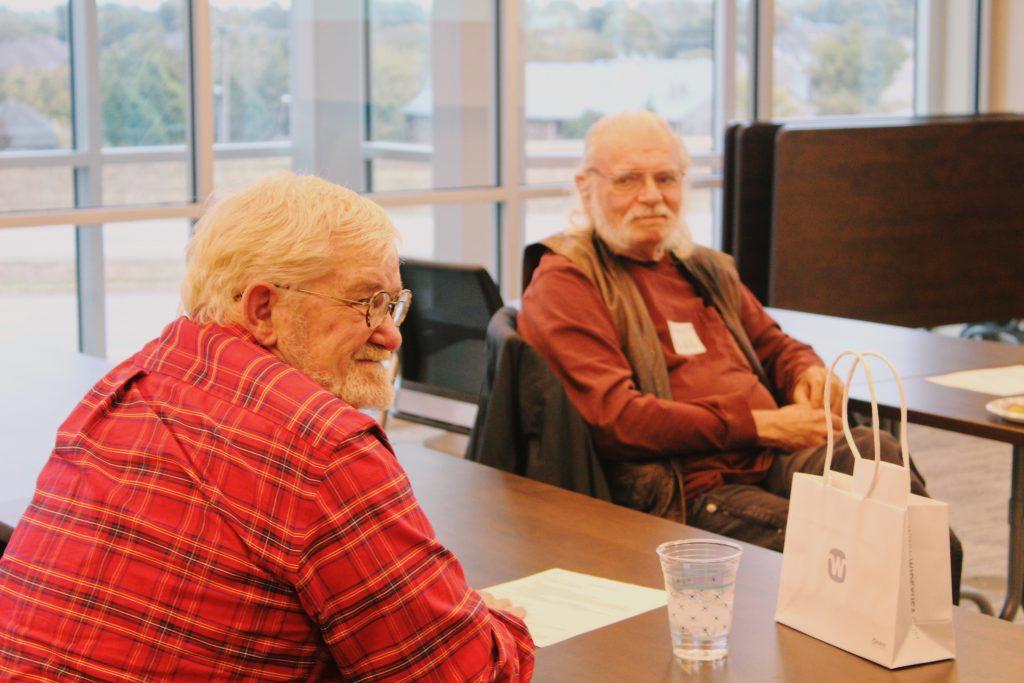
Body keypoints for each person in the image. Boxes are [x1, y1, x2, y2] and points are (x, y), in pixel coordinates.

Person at [0, 173, 534, 680]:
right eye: (368, 303)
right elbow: (460, 673)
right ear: (263, 309)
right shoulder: (322, 447)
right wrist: (497, 624)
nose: (392, 336)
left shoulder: (128, 382)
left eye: (393, 305)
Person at [519, 110, 961, 600]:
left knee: (897, 488)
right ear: (586, 188)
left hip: (773, 453)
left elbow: (775, 344)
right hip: (691, 487)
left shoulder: (700, 266)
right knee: (851, 553)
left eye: (666, 178)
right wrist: (761, 424)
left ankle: (937, 645)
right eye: (628, 180)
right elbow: (617, 419)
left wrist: (805, 372)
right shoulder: (567, 281)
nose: (651, 196)